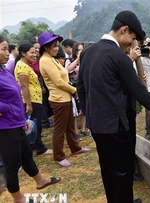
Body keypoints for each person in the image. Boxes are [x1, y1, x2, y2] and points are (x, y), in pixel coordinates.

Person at [77, 10, 150, 203]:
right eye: (132, 39)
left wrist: (89, 114)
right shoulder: (118, 55)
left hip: (97, 125)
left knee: (107, 167)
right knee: (122, 171)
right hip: (116, 126)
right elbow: (137, 89)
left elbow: (81, 86)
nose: (132, 44)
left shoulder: (88, 51)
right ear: (124, 30)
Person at [0, 35, 61, 203]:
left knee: (27, 154)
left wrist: (21, 118)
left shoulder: (3, 69)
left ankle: (40, 180)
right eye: (4, 49)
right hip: (5, 127)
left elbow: (14, 95)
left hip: (16, 122)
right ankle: (17, 198)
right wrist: (9, 110)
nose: (8, 53)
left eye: (7, 49)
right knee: (12, 164)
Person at [38, 32, 90, 167]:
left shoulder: (52, 58)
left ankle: (76, 148)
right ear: (45, 47)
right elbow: (58, 82)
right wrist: (74, 90)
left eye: (57, 46)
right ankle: (59, 156)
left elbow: (64, 74)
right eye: (54, 46)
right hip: (58, 99)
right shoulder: (45, 60)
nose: (57, 48)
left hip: (65, 98)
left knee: (70, 127)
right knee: (60, 129)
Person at [14, 43, 52, 155]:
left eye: (35, 52)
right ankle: (39, 148)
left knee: (35, 125)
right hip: (30, 100)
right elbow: (24, 86)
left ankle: (33, 146)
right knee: (34, 125)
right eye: (32, 52)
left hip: (36, 99)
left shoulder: (26, 65)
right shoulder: (22, 66)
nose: (35, 55)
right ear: (23, 53)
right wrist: (29, 105)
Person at [65, 42, 90, 140]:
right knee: (75, 112)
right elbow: (67, 70)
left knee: (83, 109)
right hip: (74, 88)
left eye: (82, 49)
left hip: (84, 86)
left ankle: (83, 129)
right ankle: (75, 132)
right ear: (75, 51)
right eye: (78, 50)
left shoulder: (86, 59)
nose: (80, 51)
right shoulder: (69, 60)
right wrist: (77, 60)